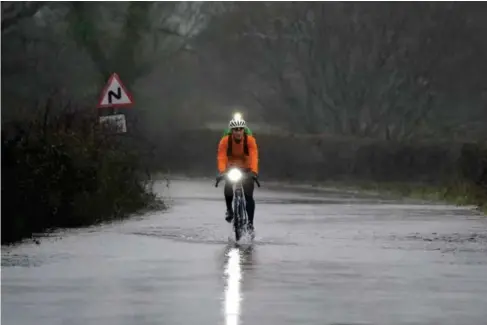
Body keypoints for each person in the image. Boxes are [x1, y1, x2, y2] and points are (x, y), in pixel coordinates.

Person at [217, 114, 259, 231]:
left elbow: (254, 156)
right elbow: (221, 157)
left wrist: (254, 172)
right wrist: (222, 171)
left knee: (249, 195)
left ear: (243, 130)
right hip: (231, 166)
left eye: (240, 129)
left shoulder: (250, 140)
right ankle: (229, 209)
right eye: (235, 130)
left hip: (246, 167)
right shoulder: (225, 141)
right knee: (228, 184)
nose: (238, 132)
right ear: (232, 131)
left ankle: (250, 223)